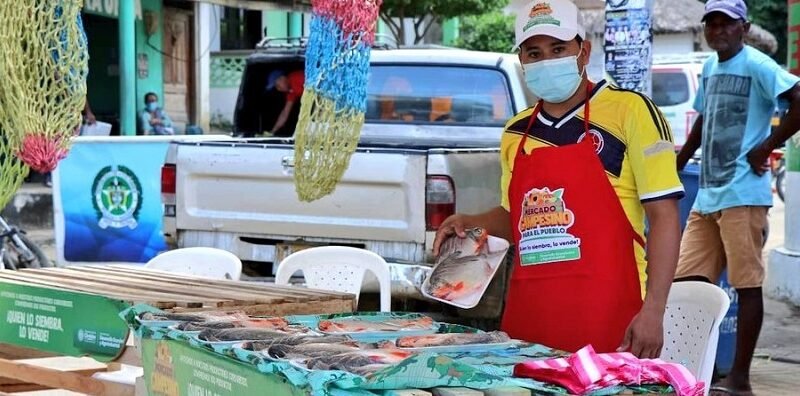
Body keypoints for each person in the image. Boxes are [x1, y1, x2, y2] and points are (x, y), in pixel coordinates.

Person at [433, 0, 683, 358]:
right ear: (522, 60)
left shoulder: (631, 111)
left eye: (558, 49)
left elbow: (664, 216)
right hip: (531, 318)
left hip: (612, 313)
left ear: (584, 52)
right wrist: (470, 223)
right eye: (534, 52)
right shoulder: (516, 131)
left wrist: (654, 310)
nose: (546, 60)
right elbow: (515, 216)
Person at [674, 1, 800, 395]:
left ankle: (740, 378)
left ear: (743, 28)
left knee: (746, 286)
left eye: (726, 25)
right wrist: (676, 163)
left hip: (743, 194)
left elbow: (798, 98)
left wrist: (766, 147)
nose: (718, 32)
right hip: (707, 195)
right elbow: (704, 121)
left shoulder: (758, 65)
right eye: (712, 25)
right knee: (688, 283)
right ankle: (696, 368)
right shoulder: (710, 67)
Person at [265, 69, 304, 137]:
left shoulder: (297, 77)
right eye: (276, 87)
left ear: (282, 78)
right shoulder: (290, 92)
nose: (278, 89)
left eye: (277, 85)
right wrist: (272, 132)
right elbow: (285, 113)